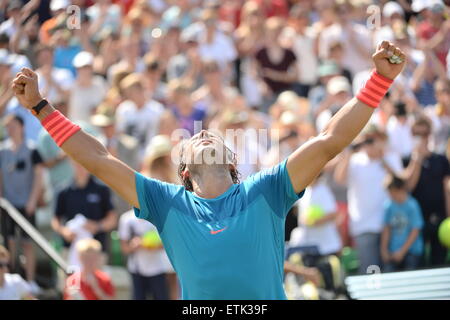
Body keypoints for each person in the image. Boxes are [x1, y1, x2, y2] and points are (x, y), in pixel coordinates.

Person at [11, 41, 406, 299]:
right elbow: (96, 158)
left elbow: (329, 141)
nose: (204, 137)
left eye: (213, 138)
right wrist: (41, 107)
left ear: (232, 162)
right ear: (183, 170)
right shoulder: (165, 201)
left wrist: (379, 81)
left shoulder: (267, 189)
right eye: (194, 140)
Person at [334, 126, 403, 274]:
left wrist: (382, 157)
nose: (370, 144)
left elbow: (400, 183)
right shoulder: (355, 160)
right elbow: (339, 179)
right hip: (364, 225)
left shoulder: (390, 158)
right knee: (370, 271)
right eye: (367, 140)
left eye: (373, 139)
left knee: (392, 270)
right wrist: (349, 153)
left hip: (390, 223)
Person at [0, 114, 44, 294]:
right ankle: (9, 275)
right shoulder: (3, 151)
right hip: (8, 204)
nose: (10, 130)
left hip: (26, 203)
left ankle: (31, 280)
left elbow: (39, 176)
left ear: (22, 127)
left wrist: (33, 200)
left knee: (27, 243)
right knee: (9, 242)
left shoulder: (32, 149)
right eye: (7, 126)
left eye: (13, 126)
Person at [404, 116, 450, 267]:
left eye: (424, 134)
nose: (421, 138)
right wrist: (417, 159)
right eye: (416, 134)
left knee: (439, 260)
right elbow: (409, 186)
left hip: (439, 216)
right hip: (417, 220)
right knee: (419, 262)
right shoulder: (406, 160)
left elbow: (446, 188)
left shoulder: (441, 159)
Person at [51, 160, 118, 262]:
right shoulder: (64, 191)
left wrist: (97, 226)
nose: (81, 168)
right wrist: (64, 232)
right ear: (72, 164)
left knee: (95, 278)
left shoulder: (102, 190)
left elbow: (112, 219)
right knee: (70, 277)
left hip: (96, 250)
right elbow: (55, 219)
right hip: (70, 250)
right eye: (78, 164)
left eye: (84, 164)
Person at [381, 175, 424, 272]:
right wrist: (384, 250)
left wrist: (402, 252)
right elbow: (386, 229)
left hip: (411, 251)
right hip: (393, 252)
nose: (390, 195)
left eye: (392, 192)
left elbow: (415, 231)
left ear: (400, 189)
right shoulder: (389, 206)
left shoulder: (412, 205)